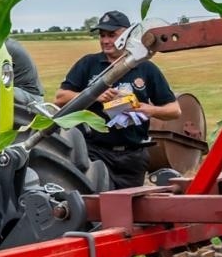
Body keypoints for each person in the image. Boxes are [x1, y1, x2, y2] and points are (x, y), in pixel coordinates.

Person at [55, 10, 180, 189]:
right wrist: (94, 95)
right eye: (102, 35)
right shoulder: (88, 64)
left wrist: (147, 109)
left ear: (128, 35)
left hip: (134, 156)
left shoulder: (146, 68)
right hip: (95, 153)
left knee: (127, 209)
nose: (106, 40)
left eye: (112, 35)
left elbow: (175, 111)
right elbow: (60, 97)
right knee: (97, 206)